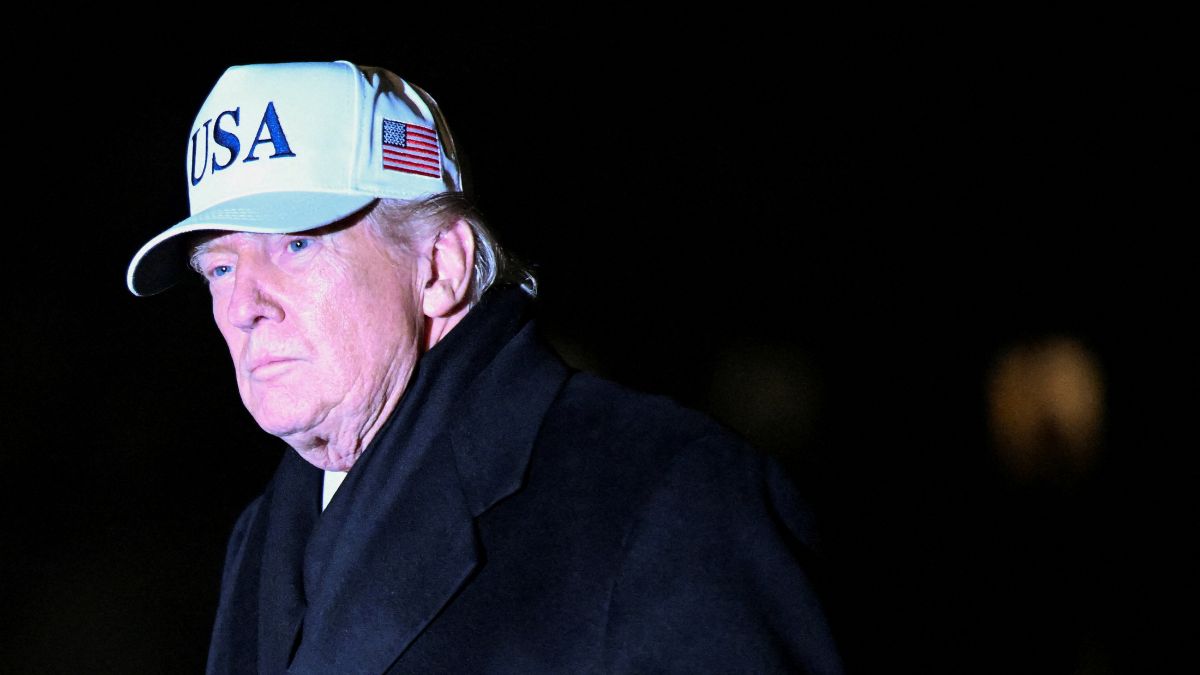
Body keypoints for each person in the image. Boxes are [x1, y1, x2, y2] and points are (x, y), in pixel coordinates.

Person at [126, 60, 843, 674]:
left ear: (440, 264)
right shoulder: (264, 537)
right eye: (219, 266)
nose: (246, 303)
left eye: (298, 247)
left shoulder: (660, 490)